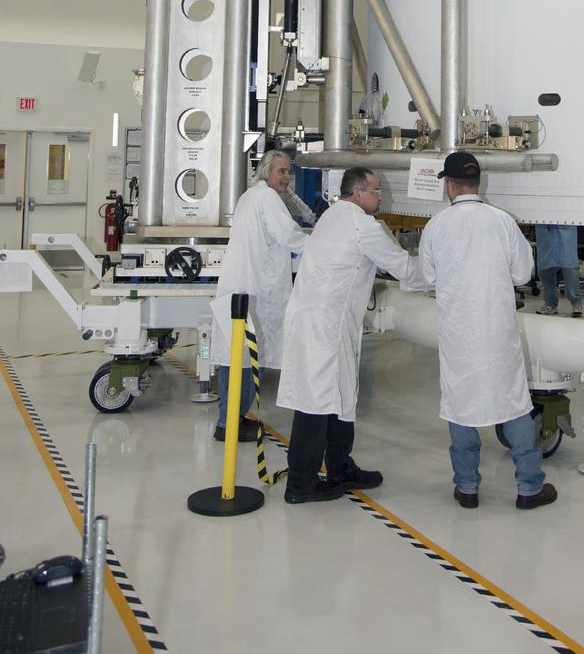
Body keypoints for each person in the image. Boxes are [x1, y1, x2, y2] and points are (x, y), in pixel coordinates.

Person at [419, 152, 557, 511]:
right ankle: (529, 488)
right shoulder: (502, 222)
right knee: (511, 401)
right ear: (478, 183)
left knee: (460, 404)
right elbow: (523, 274)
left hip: (458, 333)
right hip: (497, 331)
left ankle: (467, 487)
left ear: (449, 186)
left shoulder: (436, 226)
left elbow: (429, 277)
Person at [278, 167, 422, 504]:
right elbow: (404, 269)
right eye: (375, 190)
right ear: (357, 193)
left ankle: (340, 466)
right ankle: (300, 484)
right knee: (315, 403)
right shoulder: (362, 225)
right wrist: (446, 272)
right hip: (325, 325)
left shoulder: (333, 216)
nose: (380, 195)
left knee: (339, 397)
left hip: (321, 320)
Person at [209, 150, 307, 441]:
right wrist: (323, 245)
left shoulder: (250, 196)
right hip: (254, 291)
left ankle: (228, 420)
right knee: (248, 358)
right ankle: (230, 424)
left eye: (289, 171)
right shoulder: (266, 198)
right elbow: (289, 235)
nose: (286, 177)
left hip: (242, 288)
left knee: (234, 358)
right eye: (281, 171)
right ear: (266, 172)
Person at [535, 224, 583, 317]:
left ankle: (576, 303)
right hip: (544, 226)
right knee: (545, 269)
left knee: (570, 268)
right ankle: (550, 304)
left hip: (565, 225)